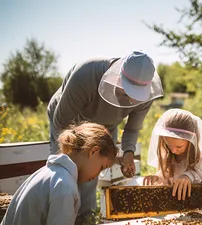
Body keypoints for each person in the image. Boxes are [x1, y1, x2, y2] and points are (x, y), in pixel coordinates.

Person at [47, 50, 163, 216]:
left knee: (92, 172)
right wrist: (81, 154)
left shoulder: (147, 94)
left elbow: (132, 128)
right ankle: (60, 220)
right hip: (69, 121)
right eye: (128, 93)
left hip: (107, 126)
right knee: (67, 169)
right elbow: (62, 122)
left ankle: (85, 219)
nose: (133, 101)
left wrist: (128, 153)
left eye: (138, 96)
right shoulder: (86, 74)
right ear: (117, 77)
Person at [0, 122, 118, 225]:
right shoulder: (64, 185)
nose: (98, 175)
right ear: (94, 151)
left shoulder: (48, 173)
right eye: (102, 167)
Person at [144, 109, 202, 209]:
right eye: (169, 145)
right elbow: (168, 175)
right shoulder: (168, 156)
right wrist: (158, 177)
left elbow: (200, 172)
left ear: (191, 141)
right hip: (176, 205)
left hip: (200, 205)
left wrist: (187, 177)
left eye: (179, 147)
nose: (173, 150)